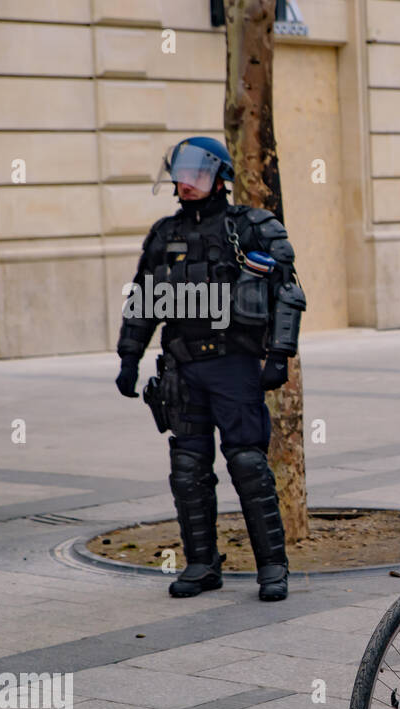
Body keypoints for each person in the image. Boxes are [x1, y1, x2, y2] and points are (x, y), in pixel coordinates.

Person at [115, 137, 305, 601]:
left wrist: (279, 355)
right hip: (182, 367)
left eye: (197, 175)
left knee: (247, 463)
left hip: (233, 367)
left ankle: (273, 568)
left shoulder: (253, 227)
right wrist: (128, 357)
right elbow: (141, 301)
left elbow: (288, 295)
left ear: (220, 178)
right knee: (187, 468)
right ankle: (202, 564)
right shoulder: (163, 235)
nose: (188, 184)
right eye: (182, 176)